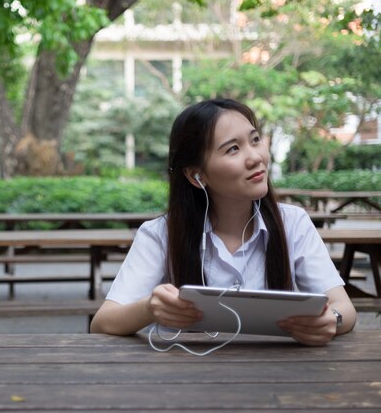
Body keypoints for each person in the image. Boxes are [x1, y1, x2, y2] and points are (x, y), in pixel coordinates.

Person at [90, 98, 356, 346]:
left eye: (255, 140)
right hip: (184, 379)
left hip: (277, 376)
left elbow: (344, 308)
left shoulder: (293, 223)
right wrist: (149, 308)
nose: (255, 157)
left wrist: (332, 320)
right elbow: (102, 323)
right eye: (233, 149)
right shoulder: (160, 234)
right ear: (196, 176)